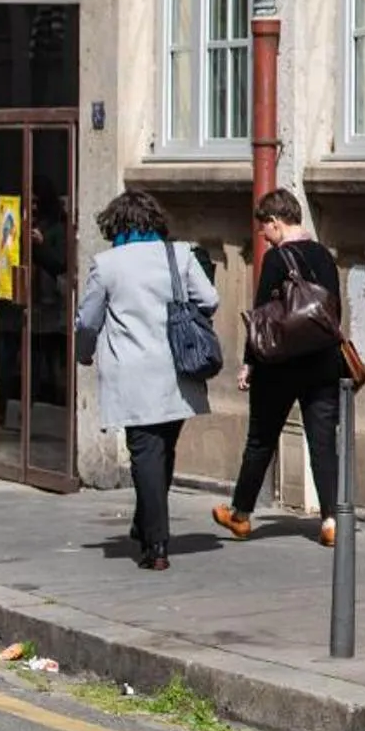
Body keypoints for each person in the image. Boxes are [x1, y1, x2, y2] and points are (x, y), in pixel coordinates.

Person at [75, 188, 218, 570]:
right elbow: (211, 299)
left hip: (133, 373)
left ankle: (156, 544)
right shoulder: (179, 253)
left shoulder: (107, 265)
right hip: (178, 367)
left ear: (116, 224)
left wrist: (83, 352)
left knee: (146, 454)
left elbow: (88, 320)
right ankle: (145, 524)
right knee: (162, 451)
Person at [212, 188, 346, 546]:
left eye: (263, 228)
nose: (261, 235)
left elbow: (262, 320)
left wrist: (248, 365)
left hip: (279, 367)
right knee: (322, 443)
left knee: (260, 440)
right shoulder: (325, 257)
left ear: (275, 222)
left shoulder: (276, 260)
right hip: (323, 363)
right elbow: (334, 313)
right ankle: (331, 520)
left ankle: (240, 515)